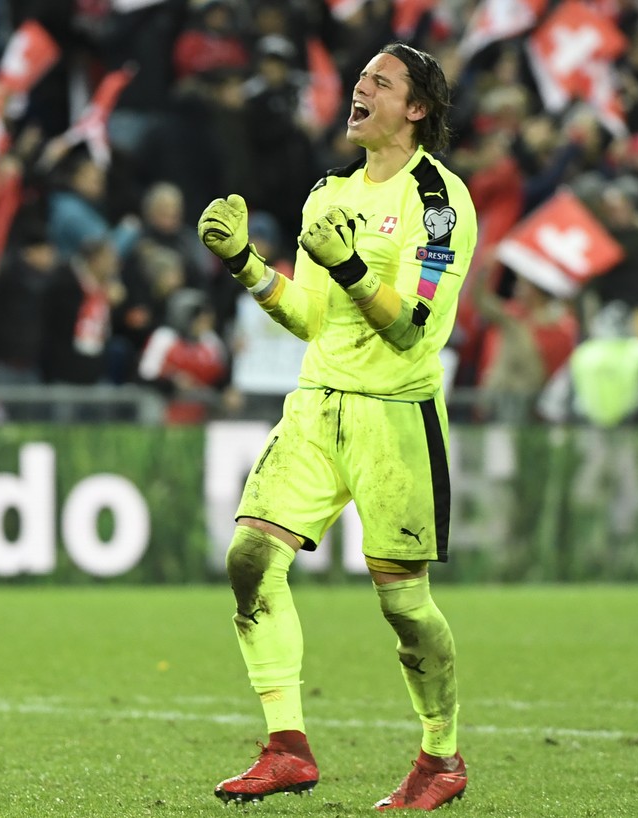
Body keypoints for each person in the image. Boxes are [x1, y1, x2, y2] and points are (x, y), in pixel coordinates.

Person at [196, 43, 475, 811]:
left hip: (395, 418)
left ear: (415, 109)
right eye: (359, 80)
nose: (360, 89)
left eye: (379, 83)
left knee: (403, 604)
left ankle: (440, 759)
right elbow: (311, 317)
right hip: (318, 405)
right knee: (250, 556)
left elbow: (413, 331)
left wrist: (355, 268)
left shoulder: (441, 202)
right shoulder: (328, 194)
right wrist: (247, 267)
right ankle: (286, 746)